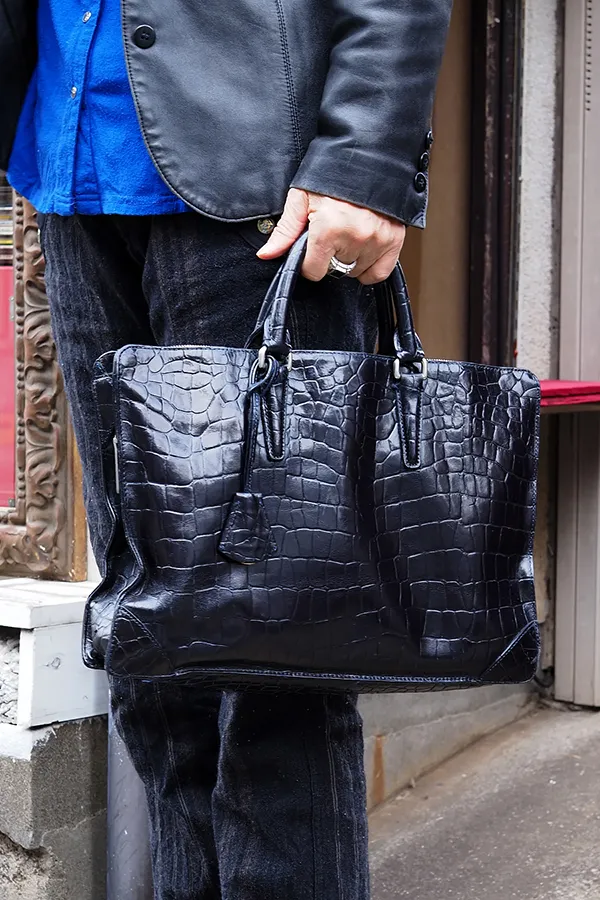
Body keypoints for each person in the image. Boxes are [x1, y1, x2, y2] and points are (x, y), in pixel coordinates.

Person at [1, 1, 453, 897]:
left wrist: (365, 160)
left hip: (263, 200)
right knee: (151, 636)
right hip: (70, 176)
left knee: (275, 650)